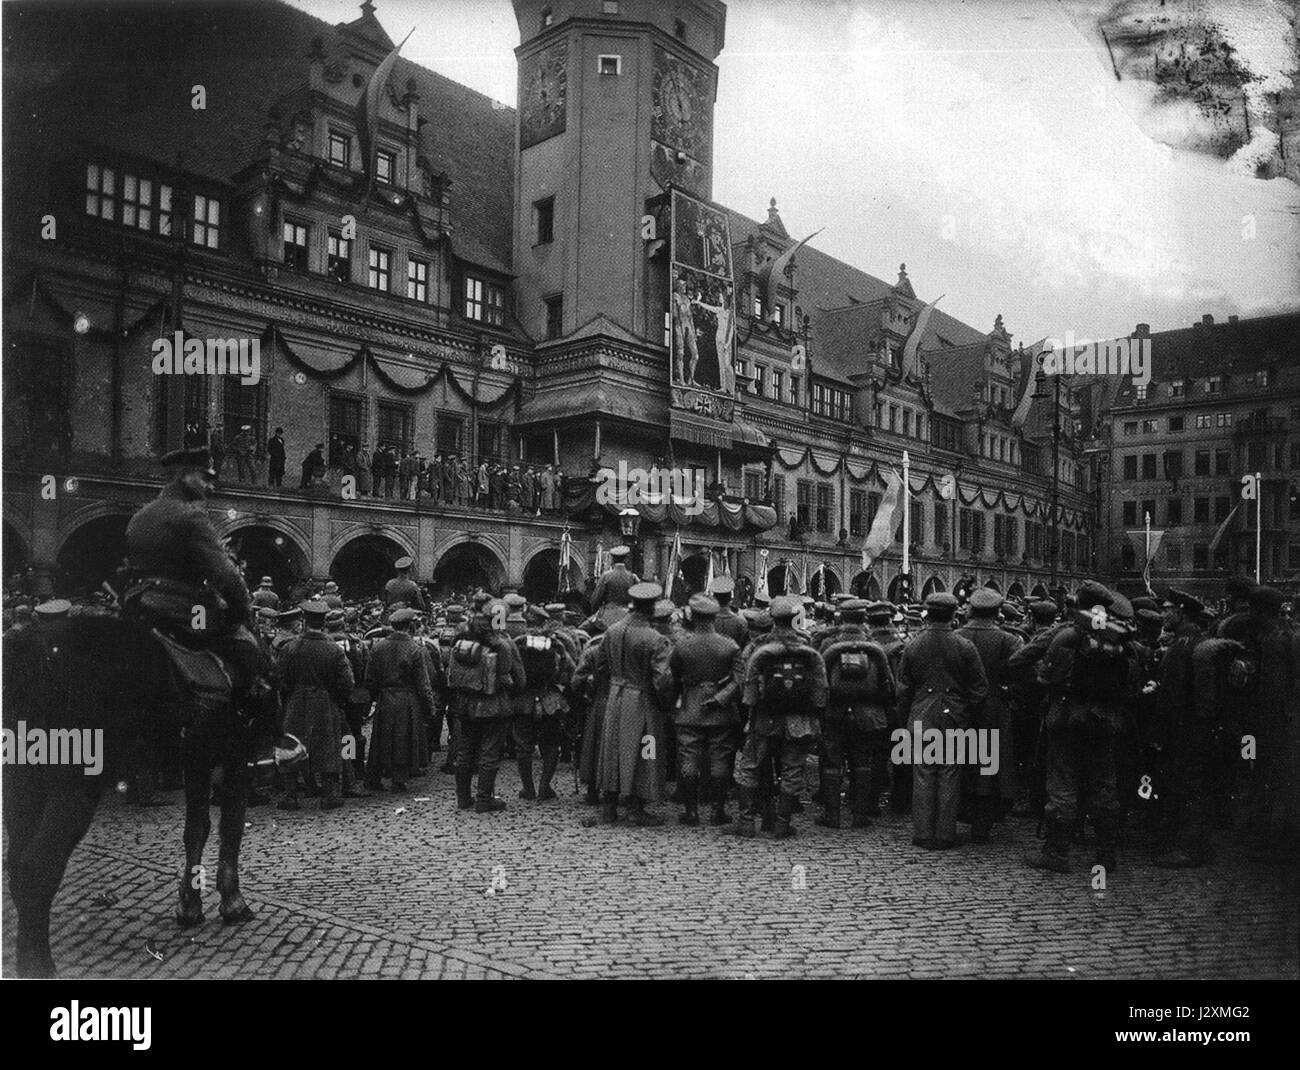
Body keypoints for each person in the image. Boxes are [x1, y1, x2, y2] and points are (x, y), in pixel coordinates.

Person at [120, 447, 259, 681]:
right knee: (252, 655)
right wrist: (241, 611)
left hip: (139, 604)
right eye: (205, 478)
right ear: (184, 476)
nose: (211, 487)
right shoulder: (190, 516)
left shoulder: (140, 516)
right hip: (188, 611)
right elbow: (225, 575)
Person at [1024, 582, 1130, 873]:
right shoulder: (1118, 638)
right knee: (1104, 786)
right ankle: (1106, 854)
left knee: (1062, 785)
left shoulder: (1068, 636)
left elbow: (1047, 677)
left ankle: (1057, 852)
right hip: (1106, 721)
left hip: (1068, 719)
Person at [897, 592, 988, 851]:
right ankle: (946, 833)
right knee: (950, 774)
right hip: (955, 719)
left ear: (927, 613)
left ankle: (923, 833)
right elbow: (980, 688)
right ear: (953, 614)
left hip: (921, 717)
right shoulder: (964, 646)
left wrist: (904, 720)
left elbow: (903, 689)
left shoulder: (914, 644)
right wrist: (970, 714)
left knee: (923, 774)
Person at [731, 595, 827, 839]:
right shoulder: (808, 646)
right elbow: (820, 689)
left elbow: (746, 684)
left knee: (751, 767)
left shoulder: (757, 646)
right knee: (792, 770)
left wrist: (751, 708)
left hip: (764, 717)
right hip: (798, 719)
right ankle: (782, 825)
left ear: (771, 618)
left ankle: (746, 823)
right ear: (794, 618)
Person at [594, 582, 675, 826]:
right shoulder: (655, 638)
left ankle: (609, 806)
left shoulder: (612, 630)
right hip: (643, 700)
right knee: (644, 750)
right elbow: (662, 679)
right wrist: (666, 704)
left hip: (615, 697)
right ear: (651, 607)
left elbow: (599, 665)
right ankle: (636, 806)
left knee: (612, 750)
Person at [817, 598, 895, 830]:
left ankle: (832, 816)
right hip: (866, 714)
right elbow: (887, 685)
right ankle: (860, 815)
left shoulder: (828, 643)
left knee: (832, 763)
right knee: (862, 762)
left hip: (835, 713)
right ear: (864, 619)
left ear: (841, 617)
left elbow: (819, 680)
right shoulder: (874, 647)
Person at [670, 594, 744, 826]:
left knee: (689, 758)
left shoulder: (682, 644)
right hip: (722, 713)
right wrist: (721, 698)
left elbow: (672, 677)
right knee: (721, 760)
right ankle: (717, 812)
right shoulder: (729, 645)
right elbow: (740, 680)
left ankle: (691, 812)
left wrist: (674, 703)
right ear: (714, 616)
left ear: (692, 615)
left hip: (690, 707)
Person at [277, 601, 354, 810]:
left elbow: (280, 679)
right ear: (323, 623)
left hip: (297, 699)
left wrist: (290, 694)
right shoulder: (333, 649)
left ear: (303, 621)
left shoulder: (290, 648)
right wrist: (336, 698)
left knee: (292, 744)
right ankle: (329, 794)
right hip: (324, 700)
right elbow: (347, 682)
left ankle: (290, 795)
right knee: (328, 745)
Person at [450, 606, 527, 812]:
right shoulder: (503, 645)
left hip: (466, 705)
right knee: (489, 751)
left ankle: (463, 799)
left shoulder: (461, 644)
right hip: (494, 706)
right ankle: (484, 799)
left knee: (465, 751)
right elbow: (519, 680)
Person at [365, 607, 435, 793]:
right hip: (407, 698)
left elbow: (370, 678)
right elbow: (423, 683)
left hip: (385, 697)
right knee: (404, 737)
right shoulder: (415, 649)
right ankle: (399, 778)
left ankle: (373, 777)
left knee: (381, 737)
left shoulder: (378, 647)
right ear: (410, 625)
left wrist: (370, 701)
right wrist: (429, 708)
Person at [512, 605, 575, 802]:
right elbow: (570, 670)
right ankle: (544, 786)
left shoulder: (518, 642)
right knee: (551, 745)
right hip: (550, 701)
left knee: (523, 747)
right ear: (545, 622)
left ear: (527, 622)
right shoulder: (558, 642)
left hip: (523, 700)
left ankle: (528, 789)